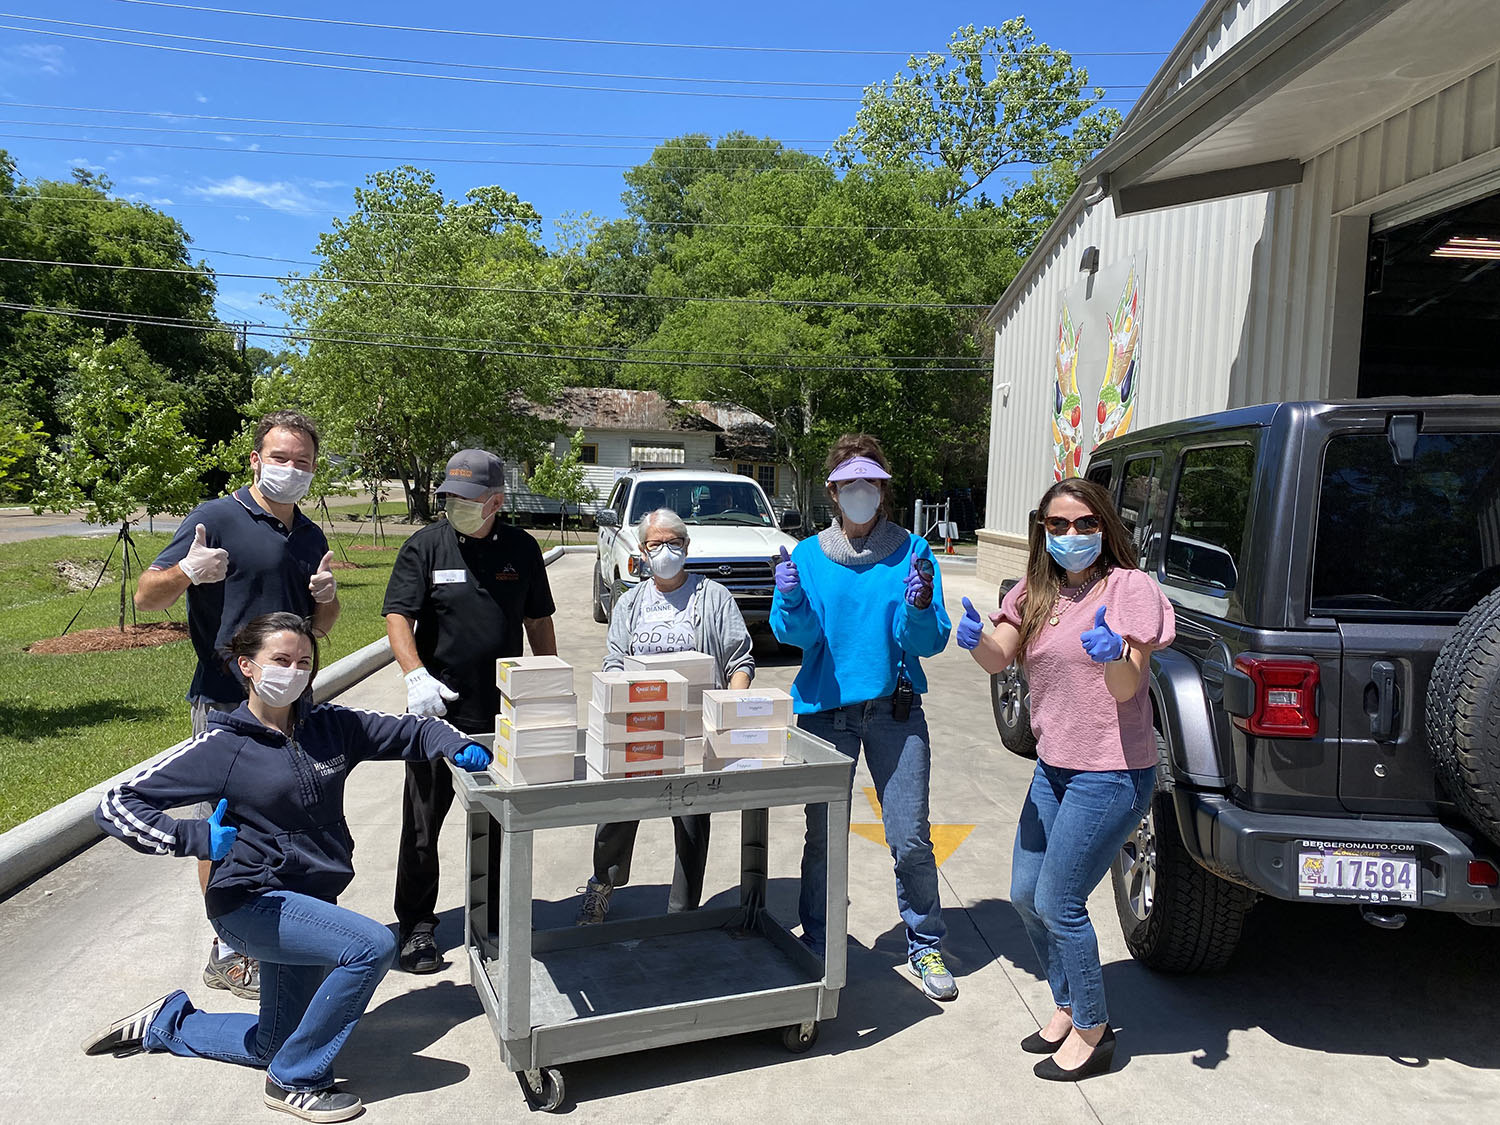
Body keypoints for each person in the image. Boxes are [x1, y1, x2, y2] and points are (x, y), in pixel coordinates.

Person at [83, 612, 491, 1123]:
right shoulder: (222, 747)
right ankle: (296, 1081)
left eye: (303, 661)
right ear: (246, 666)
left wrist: (455, 745)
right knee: (371, 946)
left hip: (310, 903)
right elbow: (117, 803)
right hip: (250, 903)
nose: (294, 671)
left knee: (269, 1042)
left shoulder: (331, 727)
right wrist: (190, 836)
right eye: (280, 660)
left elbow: (417, 729)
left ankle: (167, 1023)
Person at [956, 476, 1175, 1081]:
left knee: (1060, 900)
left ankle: (1094, 1030)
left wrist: (1114, 655)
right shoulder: (1038, 590)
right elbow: (1001, 655)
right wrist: (975, 640)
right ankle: (1066, 1001)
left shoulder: (1129, 588)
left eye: (1084, 523)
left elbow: (1129, 685)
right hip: (1054, 766)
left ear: (1105, 527)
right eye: (1058, 525)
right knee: (1026, 895)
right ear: (1042, 531)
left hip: (1112, 770)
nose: (1072, 535)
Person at [134, 409, 339, 1001]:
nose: (291, 470)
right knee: (224, 825)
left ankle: (278, 934)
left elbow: (318, 626)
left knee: (288, 819)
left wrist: (326, 601)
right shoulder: (216, 517)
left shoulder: (310, 534)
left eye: (302, 462)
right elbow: (148, 596)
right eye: (280, 458)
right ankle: (227, 950)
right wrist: (186, 572)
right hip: (227, 698)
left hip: (292, 700)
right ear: (255, 459)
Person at [769, 434, 957, 1001]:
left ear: (883, 490)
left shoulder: (914, 553)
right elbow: (794, 637)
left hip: (894, 714)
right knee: (823, 838)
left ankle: (924, 944)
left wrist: (921, 606)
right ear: (833, 491)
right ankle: (822, 938)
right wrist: (793, 599)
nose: (859, 493)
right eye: (849, 484)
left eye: (869, 484)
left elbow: (928, 641)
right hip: (825, 714)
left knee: (911, 837)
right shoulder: (805, 556)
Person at [383, 449, 558, 973]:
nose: (453, 505)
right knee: (422, 825)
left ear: (496, 502)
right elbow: (398, 616)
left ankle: (495, 919)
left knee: (500, 823)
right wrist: (416, 676)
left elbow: (539, 621)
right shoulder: (425, 547)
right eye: (448, 497)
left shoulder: (522, 549)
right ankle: (416, 927)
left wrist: (547, 685)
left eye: (466, 498)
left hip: (501, 713)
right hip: (436, 714)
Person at [575, 508, 755, 924]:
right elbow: (615, 659)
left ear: (687, 547)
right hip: (641, 723)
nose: (666, 551)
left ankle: (682, 912)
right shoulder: (631, 602)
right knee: (617, 811)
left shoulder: (713, 597)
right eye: (656, 544)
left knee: (691, 819)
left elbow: (739, 661)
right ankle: (602, 885)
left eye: (674, 542)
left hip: (694, 731)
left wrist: (727, 713)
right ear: (642, 550)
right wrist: (621, 700)